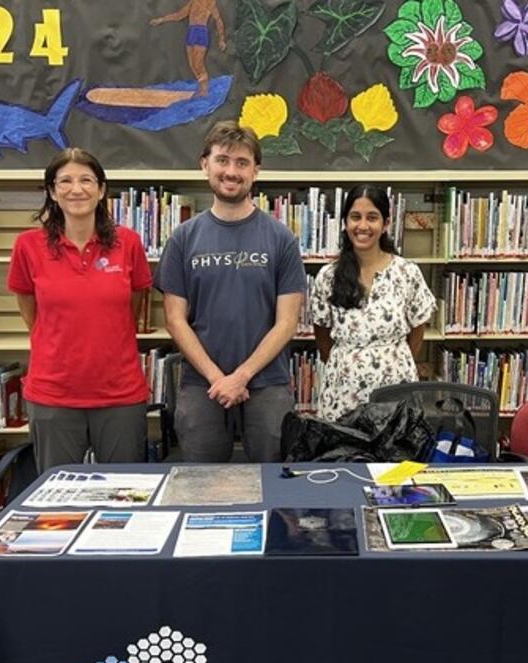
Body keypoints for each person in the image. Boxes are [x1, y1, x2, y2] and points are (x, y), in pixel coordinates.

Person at [155, 120, 307, 462]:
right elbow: (175, 320)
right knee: (203, 485)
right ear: (204, 163)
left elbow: (287, 323)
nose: (231, 171)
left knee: (272, 480)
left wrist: (241, 376)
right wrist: (217, 377)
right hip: (201, 382)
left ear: (256, 171)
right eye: (223, 160)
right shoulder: (182, 238)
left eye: (242, 163)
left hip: (267, 381)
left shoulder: (281, 238)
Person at [7, 148, 152, 473]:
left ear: (101, 190)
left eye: (86, 180)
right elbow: (31, 312)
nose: (77, 189)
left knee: (126, 496)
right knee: (59, 501)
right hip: (53, 395)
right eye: (66, 181)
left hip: (120, 395)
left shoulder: (128, 243)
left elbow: (134, 303)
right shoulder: (28, 246)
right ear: (52, 191)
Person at [311, 185, 436, 421]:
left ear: (386, 224)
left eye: (372, 218)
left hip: (395, 390)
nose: (363, 226)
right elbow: (322, 335)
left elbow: (418, 330)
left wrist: (392, 362)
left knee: (396, 454)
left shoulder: (407, 272)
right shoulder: (328, 276)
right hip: (343, 393)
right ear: (345, 222)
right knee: (343, 453)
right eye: (355, 217)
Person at [150, 0, 227, 97]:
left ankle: (205, 90)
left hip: (200, 31)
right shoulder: (193, 2)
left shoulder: (210, 2)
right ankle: (201, 88)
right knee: (192, 65)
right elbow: (179, 15)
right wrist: (161, 20)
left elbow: (218, 20)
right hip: (191, 32)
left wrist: (222, 39)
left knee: (198, 64)